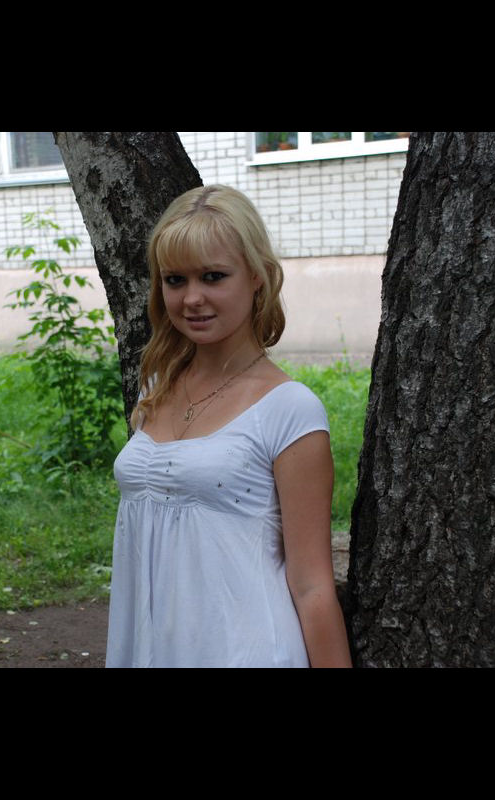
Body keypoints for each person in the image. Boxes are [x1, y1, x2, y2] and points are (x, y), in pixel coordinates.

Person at [105, 184, 352, 668]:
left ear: (257, 276)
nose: (192, 298)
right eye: (175, 280)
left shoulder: (290, 409)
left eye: (213, 276)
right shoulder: (155, 387)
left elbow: (312, 585)